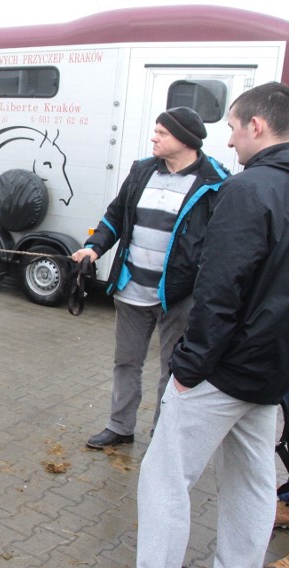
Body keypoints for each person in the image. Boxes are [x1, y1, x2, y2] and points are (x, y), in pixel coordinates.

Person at [136, 81, 289, 567]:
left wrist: (188, 368)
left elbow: (219, 290)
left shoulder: (246, 190)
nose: (229, 142)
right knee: (253, 481)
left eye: (233, 129)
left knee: (164, 476)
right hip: (272, 376)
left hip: (221, 371)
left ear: (257, 126)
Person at [72, 107, 229, 449]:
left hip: (179, 296)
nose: (154, 138)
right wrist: (93, 248)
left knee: (173, 370)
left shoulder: (215, 182)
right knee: (126, 361)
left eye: (162, 133)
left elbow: (220, 243)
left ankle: (164, 436)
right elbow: (116, 215)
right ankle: (120, 427)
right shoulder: (142, 170)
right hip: (132, 288)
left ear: (184, 140)